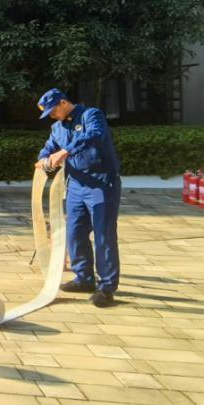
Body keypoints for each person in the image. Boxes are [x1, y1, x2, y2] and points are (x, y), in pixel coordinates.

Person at [36, 88, 122, 309]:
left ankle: (107, 287)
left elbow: (94, 135)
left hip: (101, 183)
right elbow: (48, 149)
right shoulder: (57, 128)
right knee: (74, 233)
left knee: (103, 235)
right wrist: (44, 160)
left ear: (63, 103)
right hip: (75, 185)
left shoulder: (91, 115)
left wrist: (65, 151)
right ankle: (84, 278)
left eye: (53, 111)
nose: (52, 116)